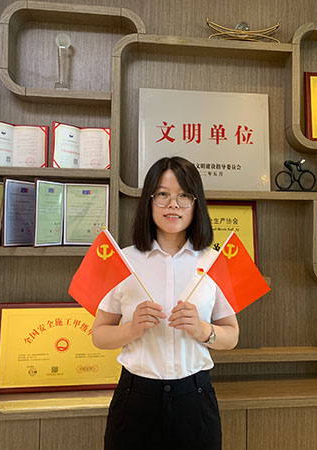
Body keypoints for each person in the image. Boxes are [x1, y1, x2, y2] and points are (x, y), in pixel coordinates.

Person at [92, 156, 240, 450]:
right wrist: (131, 329)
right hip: (135, 399)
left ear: (196, 204)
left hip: (194, 399)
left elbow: (232, 335)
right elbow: (99, 335)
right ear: (149, 201)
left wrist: (202, 330)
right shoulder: (123, 260)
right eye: (163, 195)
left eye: (183, 196)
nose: (173, 205)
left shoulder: (215, 262)